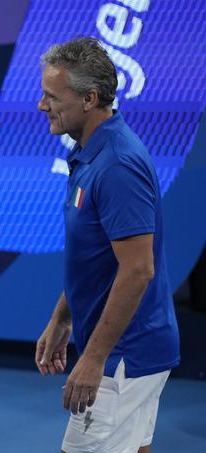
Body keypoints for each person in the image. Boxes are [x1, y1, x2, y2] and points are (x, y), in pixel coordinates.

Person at [34, 37, 180, 453]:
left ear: (89, 98)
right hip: (128, 352)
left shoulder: (117, 165)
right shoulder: (91, 152)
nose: (42, 106)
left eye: (51, 97)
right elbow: (98, 259)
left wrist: (95, 358)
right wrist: (63, 317)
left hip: (124, 359)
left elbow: (138, 269)